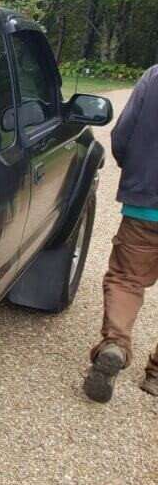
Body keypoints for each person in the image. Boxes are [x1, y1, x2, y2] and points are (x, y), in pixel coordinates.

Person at [84, 65, 158, 403]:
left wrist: (134, 172)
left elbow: (123, 135)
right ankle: (156, 376)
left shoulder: (154, 77)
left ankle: (115, 343)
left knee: (127, 278)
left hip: (146, 203)